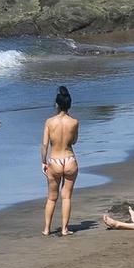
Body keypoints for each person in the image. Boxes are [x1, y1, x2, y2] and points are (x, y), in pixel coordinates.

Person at [39, 85, 80, 237]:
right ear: (69, 105)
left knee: (51, 197)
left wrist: (43, 161)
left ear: (56, 104)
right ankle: (64, 229)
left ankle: (46, 229)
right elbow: (74, 141)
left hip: (54, 160)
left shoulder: (49, 122)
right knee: (67, 196)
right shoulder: (74, 122)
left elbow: (44, 144)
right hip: (69, 159)